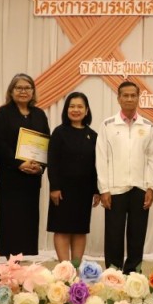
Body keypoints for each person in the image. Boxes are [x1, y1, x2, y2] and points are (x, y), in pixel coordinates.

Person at [97, 81, 153, 272]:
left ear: (138, 98)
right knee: (113, 235)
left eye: (133, 95)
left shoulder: (147, 126)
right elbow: (101, 158)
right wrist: (104, 189)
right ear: (119, 98)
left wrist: (150, 187)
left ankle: (133, 274)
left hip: (140, 188)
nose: (129, 99)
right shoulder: (107, 125)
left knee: (137, 234)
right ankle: (113, 274)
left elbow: (152, 159)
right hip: (115, 190)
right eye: (125, 95)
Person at [0, 73, 50, 258]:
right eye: (19, 88)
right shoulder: (3, 113)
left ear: (33, 91)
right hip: (11, 177)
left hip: (32, 178)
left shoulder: (39, 114)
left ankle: (25, 263)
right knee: (11, 221)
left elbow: (45, 143)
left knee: (28, 221)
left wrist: (40, 167)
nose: (23, 91)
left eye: (27, 88)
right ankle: (10, 264)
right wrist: (19, 163)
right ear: (11, 91)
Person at [46, 92, 99, 265]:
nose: (76, 110)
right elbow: (52, 161)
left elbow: (96, 165)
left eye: (80, 106)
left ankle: (75, 268)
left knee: (79, 230)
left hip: (84, 190)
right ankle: (65, 269)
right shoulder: (59, 132)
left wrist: (96, 190)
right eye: (72, 106)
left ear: (87, 110)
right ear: (66, 109)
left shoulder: (93, 135)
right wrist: (54, 187)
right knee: (62, 229)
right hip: (62, 190)